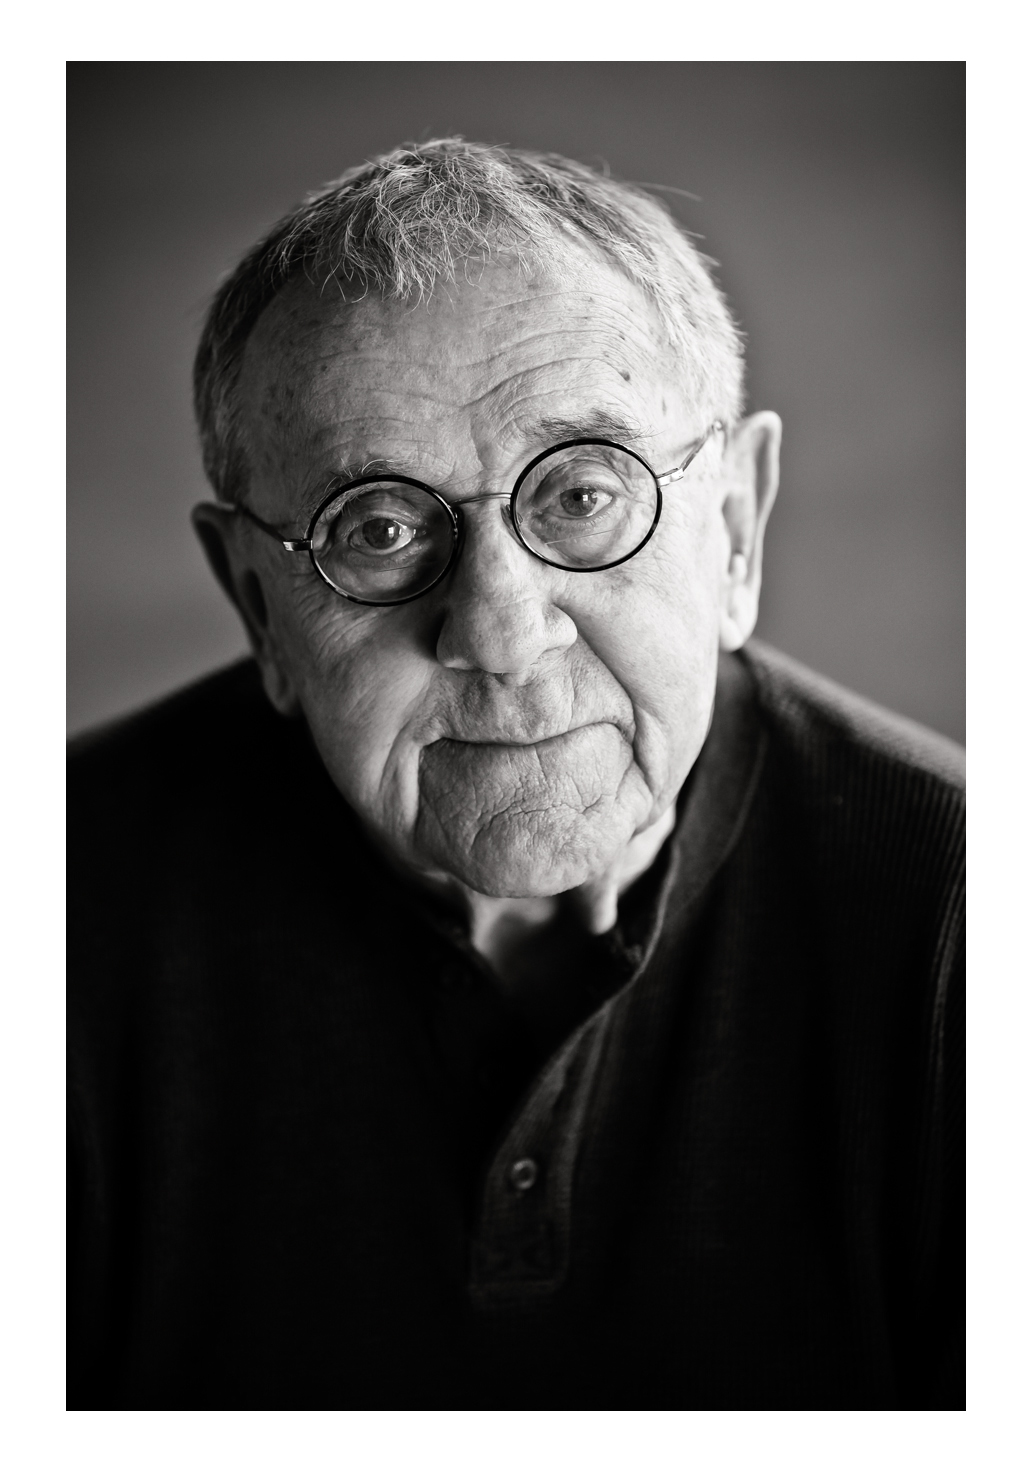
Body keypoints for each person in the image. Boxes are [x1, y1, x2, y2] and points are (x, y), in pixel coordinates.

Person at [68, 138, 964, 1408]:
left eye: (584, 496)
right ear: (261, 609)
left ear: (735, 529)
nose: (496, 629)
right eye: (376, 528)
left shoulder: (972, 924)